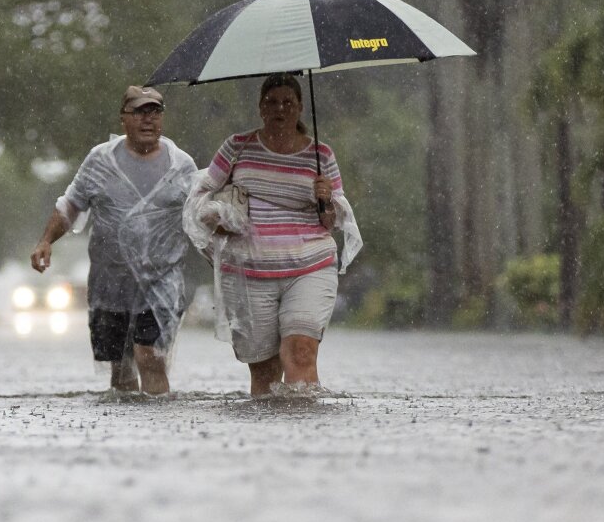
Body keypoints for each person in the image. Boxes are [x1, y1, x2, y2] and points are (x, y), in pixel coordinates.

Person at [186, 73, 362, 396]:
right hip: (249, 271)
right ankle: (269, 441)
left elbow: (332, 221)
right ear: (260, 108)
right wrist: (217, 217)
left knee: (300, 352)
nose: (280, 109)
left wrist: (327, 199)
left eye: (288, 103)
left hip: (310, 265)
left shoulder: (321, 155)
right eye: (272, 102)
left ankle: (305, 435)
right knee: (265, 373)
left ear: (299, 109)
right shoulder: (237, 147)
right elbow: (199, 198)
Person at [31, 85, 198, 395]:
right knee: (120, 365)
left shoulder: (181, 165)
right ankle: (125, 432)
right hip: (111, 282)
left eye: (155, 112)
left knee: (148, 355)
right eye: (140, 112)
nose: (148, 120)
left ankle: (157, 426)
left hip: (160, 281)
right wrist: (46, 241)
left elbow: (200, 214)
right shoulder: (100, 161)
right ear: (124, 118)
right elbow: (71, 204)